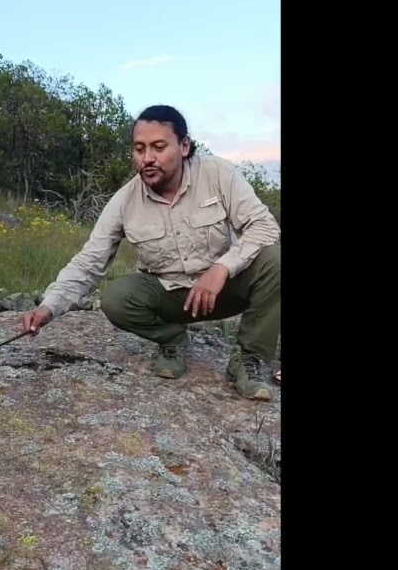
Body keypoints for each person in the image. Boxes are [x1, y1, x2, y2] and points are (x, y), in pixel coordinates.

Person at [19, 105, 281, 400]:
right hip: (170, 297)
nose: (147, 158)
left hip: (222, 291)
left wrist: (222, 268)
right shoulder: (125, 200)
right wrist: (48, 307)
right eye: (139, 149)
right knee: (116, 298)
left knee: (275, 259)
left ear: (184, 146)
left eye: (158, 147)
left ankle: (248, 361)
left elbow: (265, 227)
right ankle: (173, 340)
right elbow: (89, 260)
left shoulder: (218, 174)